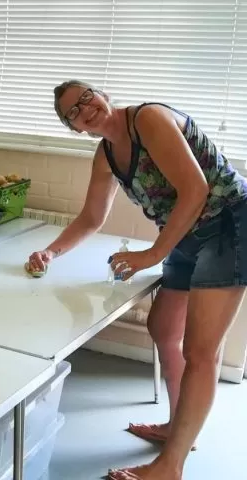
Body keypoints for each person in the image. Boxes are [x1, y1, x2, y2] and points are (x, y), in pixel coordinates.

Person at [28, 80, 247, 480]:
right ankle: (178, 428)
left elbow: (195, 190)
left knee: (202, 350)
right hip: (184, 233)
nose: (85, 108)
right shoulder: (106, 155)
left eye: (86, 97)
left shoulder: (148, 119)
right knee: (163, 328)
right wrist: (51, 252)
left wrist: (152, 254)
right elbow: (92, 217)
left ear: (103, 95)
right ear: (76, 128)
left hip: (228, 223)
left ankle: (170, 466)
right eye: (73, 112)